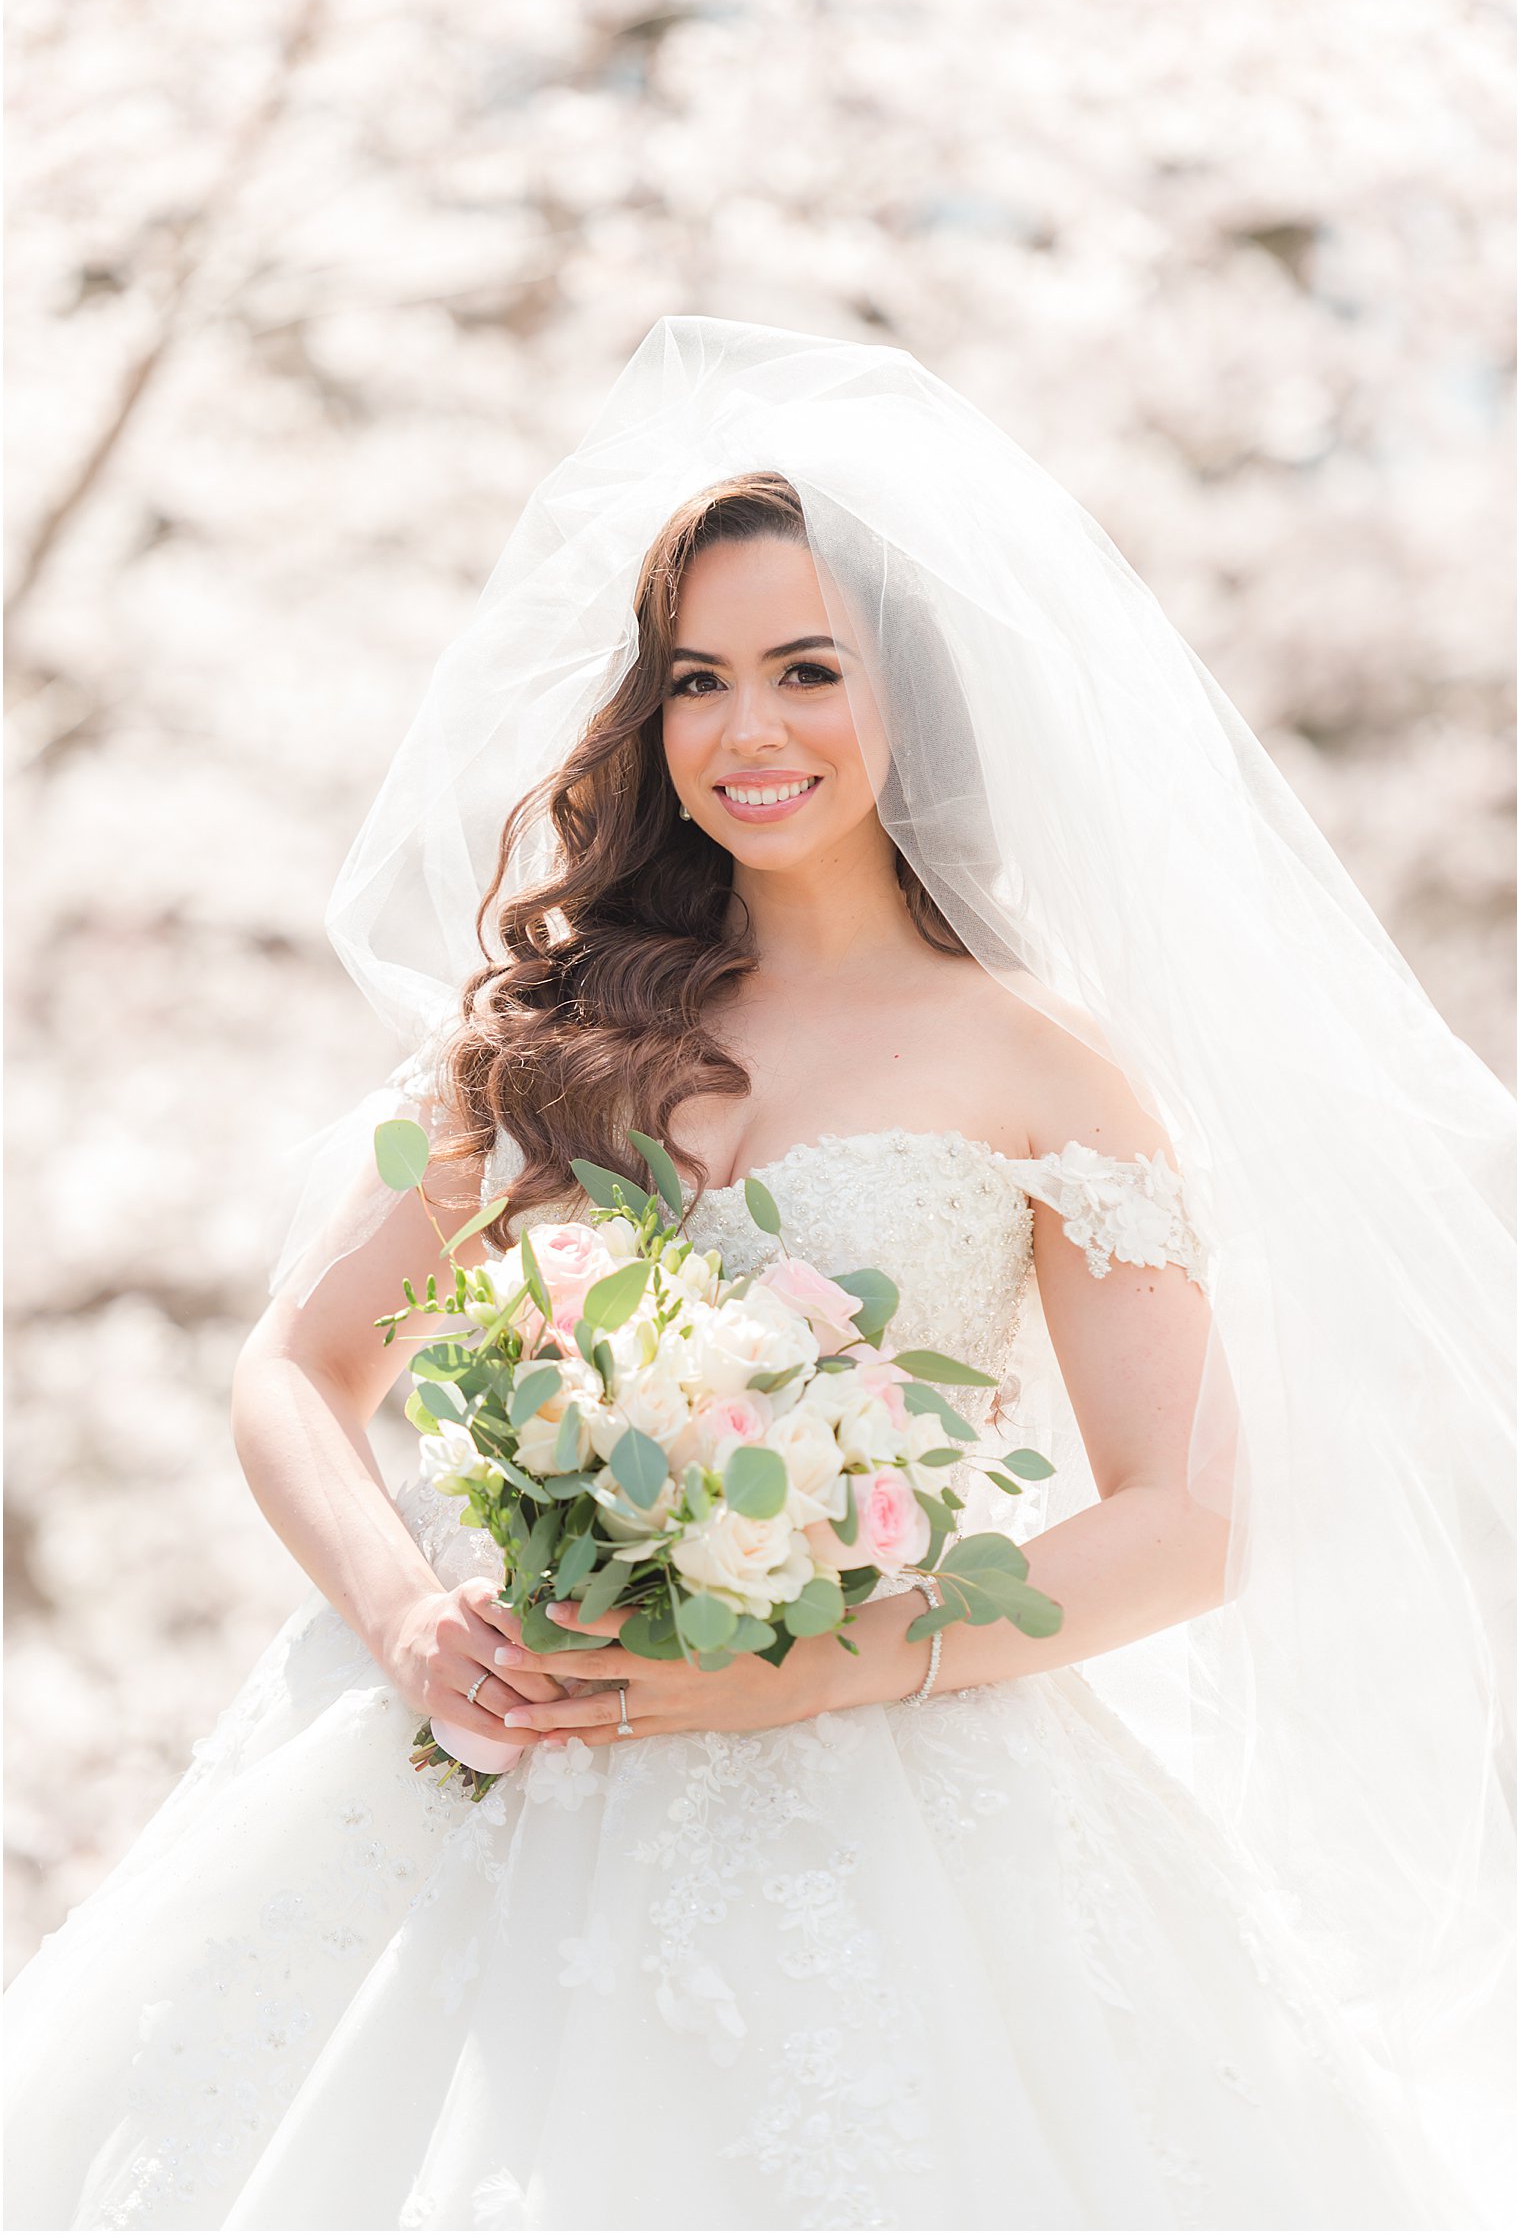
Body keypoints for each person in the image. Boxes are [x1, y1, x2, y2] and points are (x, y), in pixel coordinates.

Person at [4, 320, 1512, 2233]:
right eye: (698, 680)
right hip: (487, 1741)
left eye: (809, 669)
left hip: (902, 1789)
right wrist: (404, 1619)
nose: (748, 730)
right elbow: (297, 1372)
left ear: (916, 699)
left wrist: (805, 1669)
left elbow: (1188, 1513)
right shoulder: (540, 1036)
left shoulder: (1043, 1065)